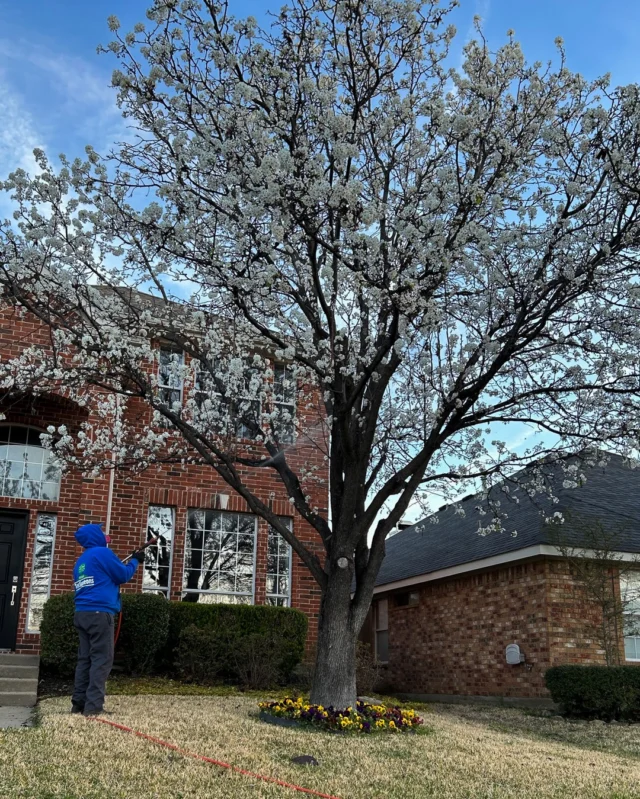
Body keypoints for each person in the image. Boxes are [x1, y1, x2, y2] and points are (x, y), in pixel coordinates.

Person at [71, 523, 145, 717]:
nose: (105, 537)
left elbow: (103, 577)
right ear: (96, 536)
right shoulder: (102, 554)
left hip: (82, 613)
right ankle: (93, 708)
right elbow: (123, 575)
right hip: (99, 615)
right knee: (101, 659)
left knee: (85, 660)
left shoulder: (81, 561)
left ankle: (78, 704)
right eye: (102, 534)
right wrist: (136, 560)